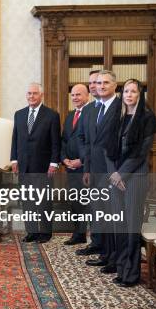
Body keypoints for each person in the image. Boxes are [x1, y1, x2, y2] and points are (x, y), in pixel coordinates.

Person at [105, 79, 156, 287]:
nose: (128, 95)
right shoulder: (118, 116)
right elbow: (107, 149)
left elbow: (141, 152)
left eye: (133, 91)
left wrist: (121, 175)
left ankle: (131, 274)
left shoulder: (147, 118)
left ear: (139, 94)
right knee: (118, 226)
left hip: (134, 177)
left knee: (131, 227)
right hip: (115, 178)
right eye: (126, 91)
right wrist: (113, 174)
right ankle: (121, 269)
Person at [10, 82, 61, 243]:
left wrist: (54, 163)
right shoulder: (19, 114)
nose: (31, 96)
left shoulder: (52, 115)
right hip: (24, 165)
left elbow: (55, 143)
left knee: (44, 201)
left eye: (35, 93)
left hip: (44, 166)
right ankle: (31, 232)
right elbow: (15, 139)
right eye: (29, 93)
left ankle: (45, 233)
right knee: (28, 201)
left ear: (41, 95)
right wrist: (14, 159)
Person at [82, 70, 122, 272]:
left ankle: (116, 259)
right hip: (96, 171)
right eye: (98, 83)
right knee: (101, 216)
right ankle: (106, 255)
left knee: (113, 218)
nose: (101, 86)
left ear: (115, 85)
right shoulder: (96, 109)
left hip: (113, 171)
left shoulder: (120, 107)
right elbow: (89, 143)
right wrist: (87, 169)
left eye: (106, 82)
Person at [75, 70, 103, 256]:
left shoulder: (116, 107)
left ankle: (104, 248)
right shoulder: (90, 109)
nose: (93, 86)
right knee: (95, 209)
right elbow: (84, 140)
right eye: (91, 82)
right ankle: (97, 244)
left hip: (110, 168)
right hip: (91, 167)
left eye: (97, 82)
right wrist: (86, 165)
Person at [61, 84, 90, 245]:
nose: (75, 98)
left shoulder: (92, 113)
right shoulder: (70, 115)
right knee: (75, 202)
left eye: (79, 95)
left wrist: (81, 160)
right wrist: (64, 159)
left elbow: (92, 142)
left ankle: (91, 237)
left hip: (86, 167)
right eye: (72, 95)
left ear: (87, 96)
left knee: (88, 203)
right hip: (70, 167)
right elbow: (64, 140)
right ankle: (78, 234)